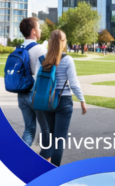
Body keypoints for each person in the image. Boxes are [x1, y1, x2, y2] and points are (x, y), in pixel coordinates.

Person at [36, 30, 87, 167]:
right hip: (63, 101)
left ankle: (43, 166)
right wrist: (82, 100)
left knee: (51, 135)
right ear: (63, 43)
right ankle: (55, 169)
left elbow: (37, 80)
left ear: (50, 42)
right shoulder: (67, 59)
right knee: (59, 139)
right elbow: (74, 83)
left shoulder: (42, 59)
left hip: (46, 102)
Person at [17, 17, 49, 147]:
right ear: (34, 32)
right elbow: (48, 71)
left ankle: (22, 159)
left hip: (22, 94)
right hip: (36, 94)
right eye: (39, 27)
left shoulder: (19, 48)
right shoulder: (39, 49)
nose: (40, 29)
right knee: (46, 129)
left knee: (29, 129)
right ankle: (46, 161)